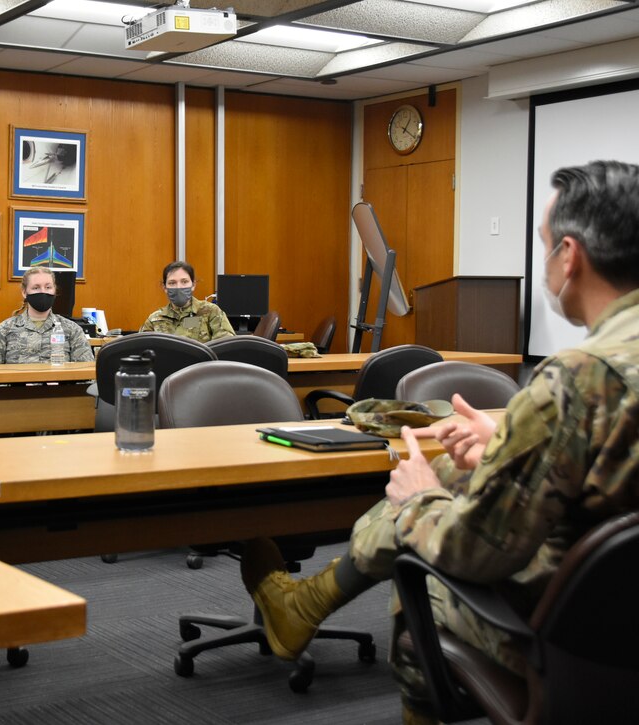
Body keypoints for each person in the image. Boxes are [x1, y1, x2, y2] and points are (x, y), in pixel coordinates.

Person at [240, 160, 639, 723]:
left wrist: (419, 495)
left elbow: (473, 550)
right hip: (616, 605)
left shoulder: (574, 379)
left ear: (570, 257)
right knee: (457, 474)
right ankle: (303, 605)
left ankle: (306, 604)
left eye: (546, 247)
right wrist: (505, 436)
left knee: (421, 561)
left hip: (580, 634)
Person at [0, 268, 93, 364]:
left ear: (55, 291)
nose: (43, 292)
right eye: (36, 288)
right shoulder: (5, 329)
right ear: (24, 292)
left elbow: (86, 372)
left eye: (48, 287)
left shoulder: (72, 330)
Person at [139, 261, 234, 342]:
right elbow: (142, 350)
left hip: (202, 363)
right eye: (172, 283)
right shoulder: (154, 319)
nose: (179, 287)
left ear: (193, 285)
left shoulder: (210, 311)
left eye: (184, 282)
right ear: (165, 288)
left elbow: (225, 346)